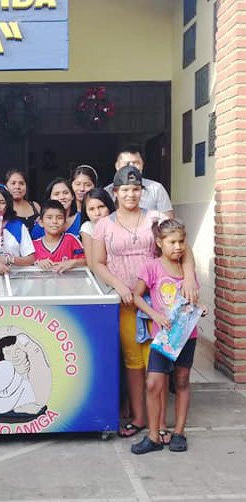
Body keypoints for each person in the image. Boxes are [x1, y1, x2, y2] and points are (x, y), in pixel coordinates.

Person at [87, 165, 167, 439]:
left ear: (141, 191)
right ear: (116, 192)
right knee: (133, 362)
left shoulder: (155, 218)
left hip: (156, 302)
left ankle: (160, 424)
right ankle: (139, 417)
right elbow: (97, 262)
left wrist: (189, 280)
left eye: (136, 189)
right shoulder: (104, 225)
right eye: (125, 190)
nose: (131, 194)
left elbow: (178, 247)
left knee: (156, 362)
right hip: (124, 303)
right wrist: (120, 286)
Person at [129, 218, 202, 454]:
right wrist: (153, 315)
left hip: (186, 337)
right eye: (172, 242)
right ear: (160, 242)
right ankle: (153, 436)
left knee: (181, 381)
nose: (178, 246)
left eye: (181, 241)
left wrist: (199, 306)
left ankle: (179, 432)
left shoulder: (187, 270)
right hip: (162, 338)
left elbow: (192, 298)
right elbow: (138, 296)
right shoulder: (151, 267)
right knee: (153, 384)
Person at [115, 147, 175, 218]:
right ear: (117, 166)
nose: (131, 167)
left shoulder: (156, 188)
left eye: (135, 163)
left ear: (142, 165)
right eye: (127, 163)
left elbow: (168, 220)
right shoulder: (108, 191)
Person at [32, 201, 85, 272]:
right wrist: (38, 263)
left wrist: (72, 263)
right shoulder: (33, 245)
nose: (54, 221)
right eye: (49, 217)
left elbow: (86, 261)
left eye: (59, 218)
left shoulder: (71, 240)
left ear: (65, 223)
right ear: (41, 222)